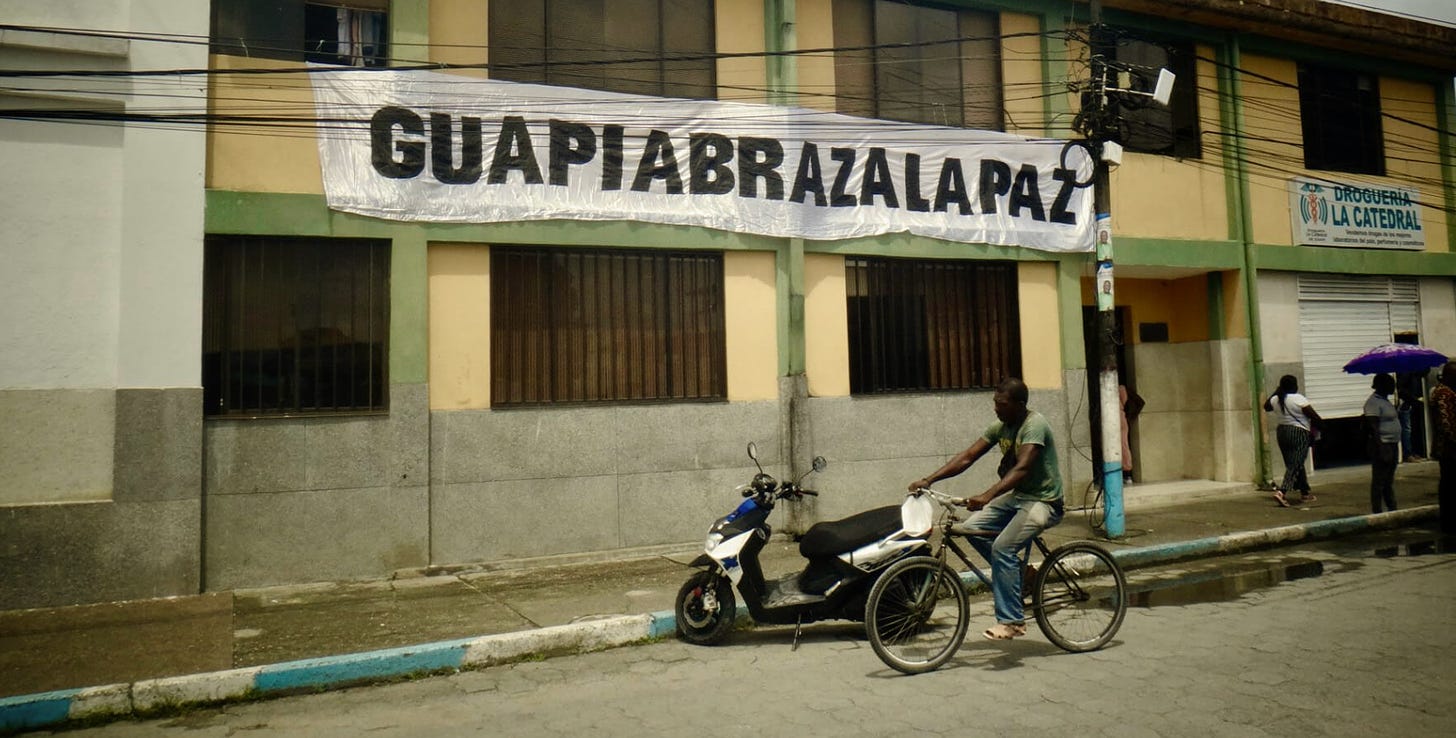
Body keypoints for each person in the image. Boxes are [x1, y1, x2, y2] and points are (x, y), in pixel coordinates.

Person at [908, 377, 1063, 642]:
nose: (996, 409)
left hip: (1044, 502)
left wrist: (987, 495)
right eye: (995, 403)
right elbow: (968, 456)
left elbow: (1023, 467)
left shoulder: (1034, 425)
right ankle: (1021, 574)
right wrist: (929, 479)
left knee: (1003, 547)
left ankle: (1013, 622)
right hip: (1020, 498)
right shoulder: (1001, 426)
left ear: (1020, 404)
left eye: (1001, 404)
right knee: (970, 528)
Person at [1263, 374, 1321, 507]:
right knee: (1295, 464)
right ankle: (1282, 492)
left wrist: (1277, 391)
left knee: (1295, 463)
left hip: (1282, 432)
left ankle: (1305, 493)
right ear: (1295, 385)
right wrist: (1322, 428)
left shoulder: (1276, 399)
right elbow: (1313, 416)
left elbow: (1266, 406)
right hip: (1299, 432)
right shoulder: (1298, 398)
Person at [1362, 373, 1400, 513]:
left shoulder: (1385, 401)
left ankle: (1392, 507)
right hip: (1383, 444)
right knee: (1380, 480)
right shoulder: (1373, 402)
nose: (1393, 387)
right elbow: (1373, 427)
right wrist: (1382, 447)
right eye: (1391, 384)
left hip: (1392, 443)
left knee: (1388, 480)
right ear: (1382, 386)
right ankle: (1377, 510)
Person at [1432, 361, 1456, 534]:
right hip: (1449, 449)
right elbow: (1446, 423)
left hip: (1448, 447)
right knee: (1449, 485)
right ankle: (1449, 522)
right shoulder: (1444, 393)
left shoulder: (1446, 391)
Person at [1396, 371, 1425, 462]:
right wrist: (1414, 399)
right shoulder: (1407, 372)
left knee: (1412, 429)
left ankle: (1413, 452)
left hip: (1411, 402)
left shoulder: (1413, 373)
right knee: (1407, 429)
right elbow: (1401, 389)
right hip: (1408, 403)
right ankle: (1408, 453)